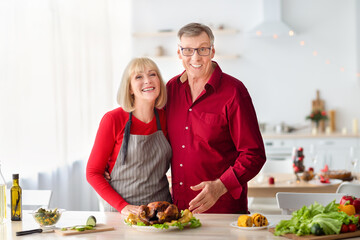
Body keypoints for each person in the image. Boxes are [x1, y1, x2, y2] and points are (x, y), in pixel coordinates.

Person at [166, 23, 266, 214]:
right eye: (188, 50)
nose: (195, 57)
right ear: (179, 53)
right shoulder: (170, 90)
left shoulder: (234, 92)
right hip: (178, 210)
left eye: (202, 49)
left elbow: (254, 154)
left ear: (212, 51)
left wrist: (220, 186)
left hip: (223, 210)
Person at [86, 57, 172, 215]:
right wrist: (122, 206)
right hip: (124, 213)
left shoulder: (166, 118)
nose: (147, 81)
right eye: (139, 77)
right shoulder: (113, 120)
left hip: (161, 212)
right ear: (130, 88)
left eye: (152, 74)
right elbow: (93, 173)